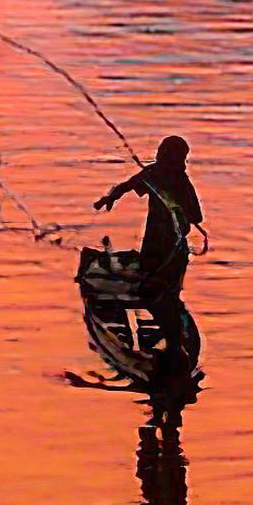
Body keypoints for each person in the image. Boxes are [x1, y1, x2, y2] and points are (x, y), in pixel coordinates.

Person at [83, 131, 205, 394]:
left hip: (169, 249)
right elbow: (128, 185)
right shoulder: (158, 175)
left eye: (163, 153)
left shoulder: (175, 181)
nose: (160, 157)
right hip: (157, 246)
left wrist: (175, 206)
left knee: (160, 293)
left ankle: (174, 349)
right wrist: (109, 198)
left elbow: (196, 215)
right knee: (158, 290)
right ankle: (173, 350)